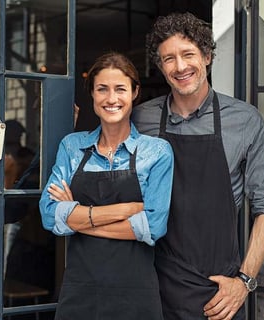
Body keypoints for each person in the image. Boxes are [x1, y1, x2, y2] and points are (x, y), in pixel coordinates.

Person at [131, 12, 264, 320]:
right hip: (151, 285)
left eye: (188, 54)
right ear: (160, 67)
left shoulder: (245, 120)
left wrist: (244, 281)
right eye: (168, 58)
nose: (180, 66)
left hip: (218, 293)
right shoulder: (140, 119)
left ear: (207, 56)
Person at [39, 52, 174, 320]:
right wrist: (126, 210)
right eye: (102, 89)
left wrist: (78, 218)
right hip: (80, 292)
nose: (111, 99)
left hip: (136, 295)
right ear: (92, 94)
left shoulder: (157, 152)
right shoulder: (72, 146)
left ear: (135, 92)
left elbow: (153, 227)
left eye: (120, 89)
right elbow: (48, 215)